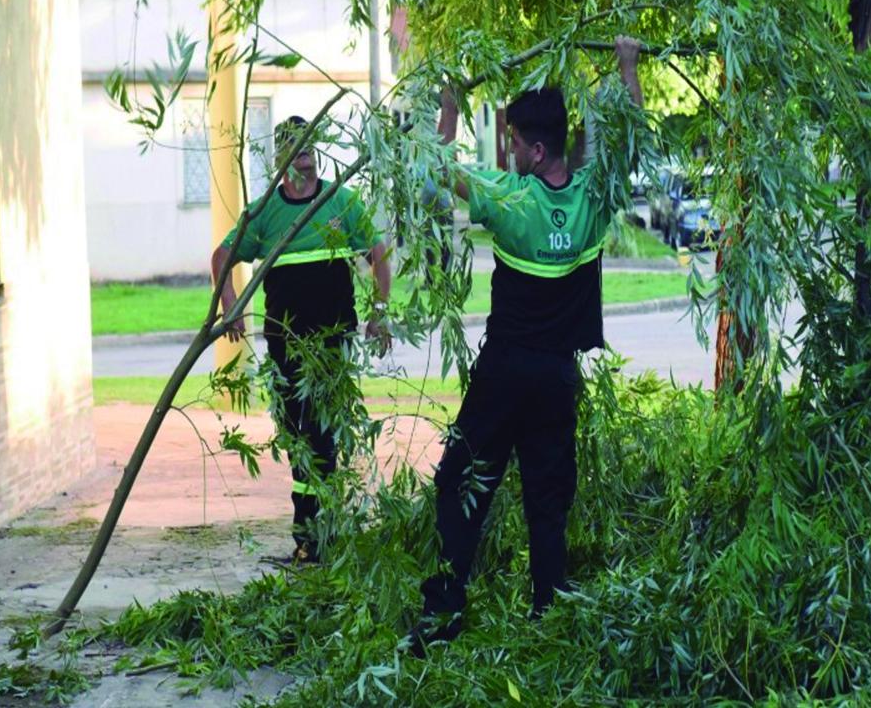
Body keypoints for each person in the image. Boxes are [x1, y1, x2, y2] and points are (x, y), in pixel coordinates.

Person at [408, 36, 644, 654]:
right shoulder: (594, 198)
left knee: (462, 478)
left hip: (505, 371)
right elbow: (629, 145)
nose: (508, 150)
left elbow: (437, 170)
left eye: (513, 141)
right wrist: (624, 68)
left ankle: (446, 609)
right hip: (558, 379)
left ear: (536, 151)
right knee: (547, 496)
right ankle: (550, 613)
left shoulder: (511, 200)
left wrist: (451, 106)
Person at [211, 115, 392, 564]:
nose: (304, 154)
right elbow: (222, 255)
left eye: (310, 145)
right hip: (285, 344)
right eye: (294, 146)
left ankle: (317, 537)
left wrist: (379, 312)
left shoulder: (340, 201)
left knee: (322, 436)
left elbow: (377, 251)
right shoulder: (267, 214)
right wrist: (229, 305)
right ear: (281, 157)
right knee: (296, 436)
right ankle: (314, 536)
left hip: (332, 344)